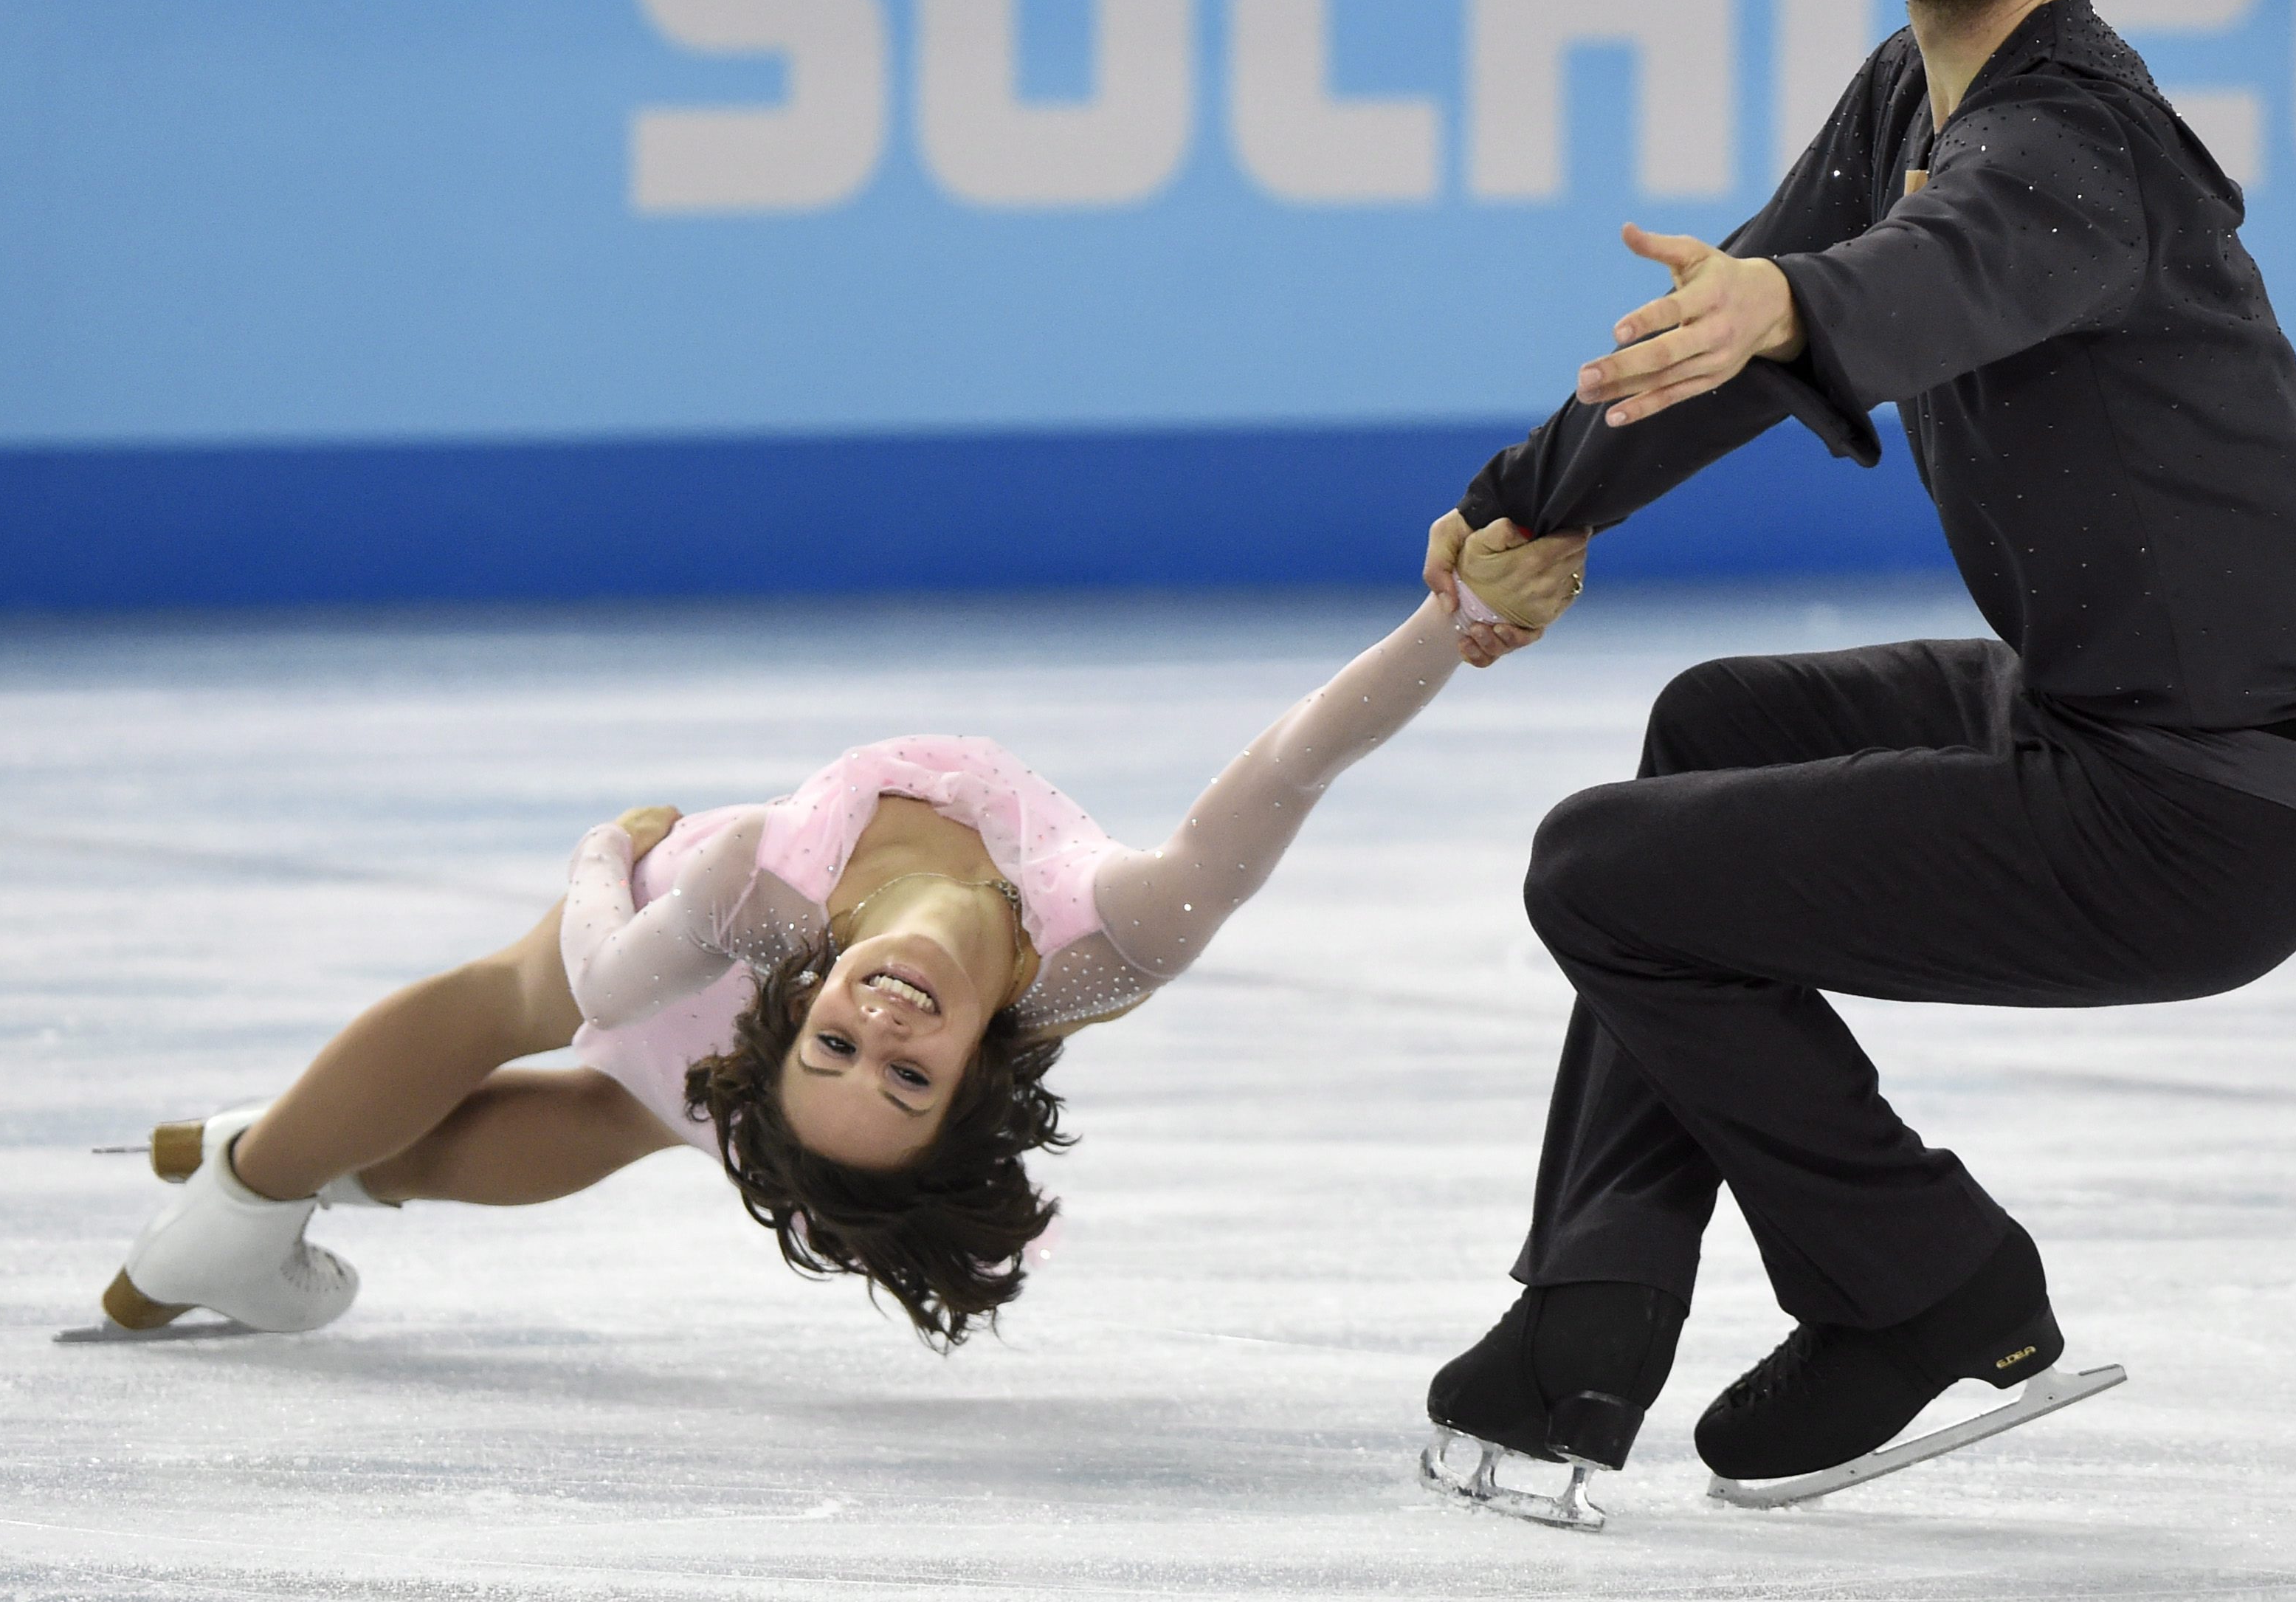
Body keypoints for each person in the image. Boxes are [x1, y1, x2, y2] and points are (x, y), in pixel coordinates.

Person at [1416, 0, 2296, 1519]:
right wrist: (1528, 508)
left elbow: (1898, 282)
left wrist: (1792, 300)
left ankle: (1923, 1274)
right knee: (1705, 733)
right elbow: (1731, 331)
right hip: (2107, 718)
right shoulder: (1910, 91)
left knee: (1598, 873)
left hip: (2215, 805)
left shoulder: (2075, 140)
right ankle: (1596, 1307)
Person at [98, 534, 1573, 1347]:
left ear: (794, 1021)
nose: (885, 1017)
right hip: (712, 982)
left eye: (844, 1048)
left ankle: (250, 1183)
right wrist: (1451, 622)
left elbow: (611, 975)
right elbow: (1298, 760)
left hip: (694, 956)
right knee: (600, 1092)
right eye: (909, 1070)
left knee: (575, 1045)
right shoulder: (1117, 936)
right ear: (978, 1074)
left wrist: (604, 858)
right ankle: (274, 1174)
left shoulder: (759, 892)